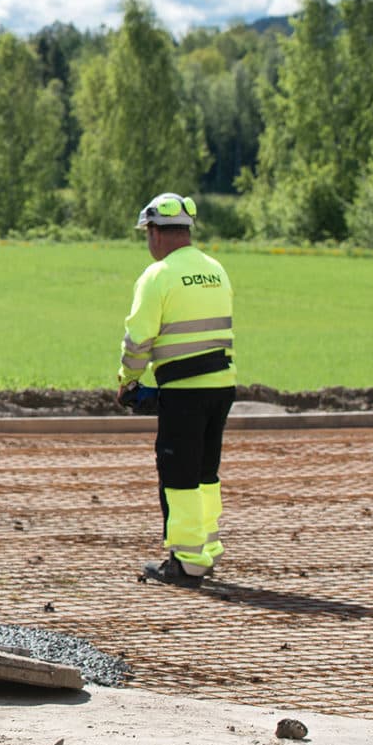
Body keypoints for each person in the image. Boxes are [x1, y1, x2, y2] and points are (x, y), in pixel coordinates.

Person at [119, 192, 236, 587]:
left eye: (147, 233)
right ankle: (208, 549)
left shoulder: (159, 275)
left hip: (184, 391)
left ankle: (187, 562)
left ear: (156, 232)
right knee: (206, 471)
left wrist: (128, 382)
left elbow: (138, 340)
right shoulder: (216, 269)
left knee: (179, 472)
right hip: (221, 385)